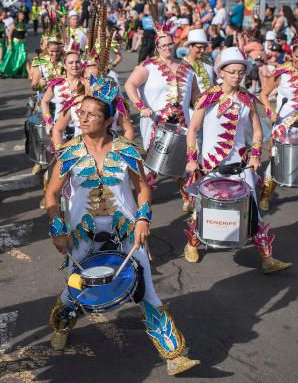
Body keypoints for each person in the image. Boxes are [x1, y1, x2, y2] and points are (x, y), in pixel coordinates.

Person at [44, 74, 199, 376]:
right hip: (81, 232)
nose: (82, 116)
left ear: (107, 120)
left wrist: (143, 218)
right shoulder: (69, 152)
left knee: (146, 288)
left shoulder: (126, 149)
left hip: (126, 228)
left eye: (90, 113)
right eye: (81, 112)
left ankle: (173, 354)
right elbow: (51, 194)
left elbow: (143, 188)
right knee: (77, 286)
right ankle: (61, 324)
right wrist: (57, 229)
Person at [183, 47, 292, 273]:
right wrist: (192, 159)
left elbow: (258, 131)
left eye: (240, 72)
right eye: (231, 71)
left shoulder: (247, 99)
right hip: (212, 166)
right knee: (202, 209)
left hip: (241, 168)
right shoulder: (208, 98)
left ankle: (267, 259)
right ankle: (192, 244)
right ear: (221, 72)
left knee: (254, 212)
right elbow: (192, 129)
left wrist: (254, 156)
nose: (236, 76)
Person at [125, 22, 197, 211]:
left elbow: (197, 97)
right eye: (163, 45)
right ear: (157, 47)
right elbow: (129, 85)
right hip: (155, 124)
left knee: (181, 163)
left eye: (170, 44)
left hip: (182, 125)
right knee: (152, 165)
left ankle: (189, 201)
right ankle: (141, 206)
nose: (167, 48)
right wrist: (141, 106)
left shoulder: (187, 68)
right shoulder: (147, 66)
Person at [258, 41, 298, 211]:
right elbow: (263, 94)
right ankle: (265, 194)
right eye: (297, 56)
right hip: (285, 125)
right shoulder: (282, 72)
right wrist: (271, 112)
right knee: (277, 159)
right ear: (292, 54)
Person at [183, 29, 215, 93]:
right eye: (199, 47)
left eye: (204, 47)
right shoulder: (182, 65)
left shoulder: (208, 60)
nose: (202, 50)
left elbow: (213, 81)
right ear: (190, 46)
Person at [0, 11, 28, 78]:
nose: (22, 16)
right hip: (15, 43)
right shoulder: (14, 24)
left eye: (23, 14)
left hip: (22, 44)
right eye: (21, 14)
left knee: (23, 57)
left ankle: (22, 72)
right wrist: (10, 44)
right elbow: (9, 34)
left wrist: (25, 44)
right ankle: (1, 70)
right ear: (18, 15)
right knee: (11, 58)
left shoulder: (24, 24)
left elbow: (24, 35)